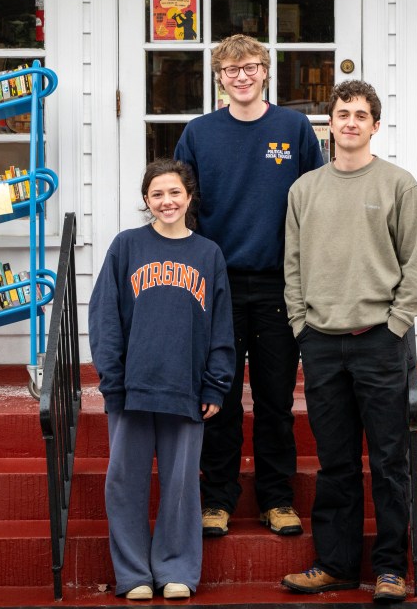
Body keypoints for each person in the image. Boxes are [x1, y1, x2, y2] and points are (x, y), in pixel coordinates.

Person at [280, 80, 417, 604]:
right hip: (321, 343)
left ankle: (391, 568)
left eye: (360, 115)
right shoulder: (304, 190)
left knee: (389, 459)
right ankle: (336, 565)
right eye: (342, 113)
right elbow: (293, 266)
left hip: (379, 341)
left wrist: (396, 325)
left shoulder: (398, 185)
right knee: (336, 461)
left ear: (375, 125)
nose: (350, 122)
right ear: (330, 122)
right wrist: (301, 326)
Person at [174, 34, 325, 538]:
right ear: (219, 78)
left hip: (280, 285)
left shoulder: (294, 127)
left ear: (266, 71)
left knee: (275, 399)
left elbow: (318, 200)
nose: (242, 76)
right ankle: (216, 499)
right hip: (215, 287)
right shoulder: (198, 133)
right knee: (220, 398)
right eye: (231, 69)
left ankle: (276, 499)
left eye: (251, 67)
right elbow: (181, 207)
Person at [88, 159, 236, 600]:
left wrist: (216, 383)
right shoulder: (126, 246)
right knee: (125, 482)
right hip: (132, 388)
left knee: (181, 485)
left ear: (189, 198)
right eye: (157, 194)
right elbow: (105, 318)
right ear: (146, 200)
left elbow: (222, 326)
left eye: (174, 193)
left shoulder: (208, 253)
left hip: (186, 388)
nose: (166, 201)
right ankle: (133, 573)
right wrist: (112, 379)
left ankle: (176, 569)